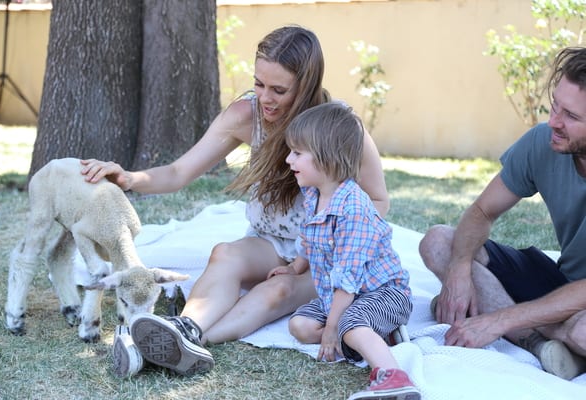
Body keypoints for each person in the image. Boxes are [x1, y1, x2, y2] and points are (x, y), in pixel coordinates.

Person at [80, 25, 390, 378]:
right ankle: (183, 330)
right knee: (224, 253)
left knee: (279, 288)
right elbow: (180, 171)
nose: (265, 98)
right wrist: (130, 178)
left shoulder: (340, 128)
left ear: (306, 86)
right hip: (270, 240)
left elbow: (379, 200)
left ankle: (185, 341)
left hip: (326, 253)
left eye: (279, 89)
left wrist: (337, 241)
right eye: (259, 83)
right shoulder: (247, 114)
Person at [418, 46, 586, 381]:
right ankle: (544, 345)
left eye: (571, 116)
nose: (554, 121)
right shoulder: (543, 142)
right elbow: (482, 211)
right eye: (555, 106)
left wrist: (499, 319)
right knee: (439, 242)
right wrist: (459, 270)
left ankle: (549, 339)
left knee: (583, 331)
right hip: (563, 282)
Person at [267, 102, 419, 400]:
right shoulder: (313, 194)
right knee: (300, 325)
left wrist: (333, 327)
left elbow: (348, 279)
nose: (288, 159)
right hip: (337, 295)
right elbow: (312, 239)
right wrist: (296, 267)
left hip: (383, 293)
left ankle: (394, 376)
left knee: (347, 324)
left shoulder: (354, 209)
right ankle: (375, 335)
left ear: (327, 158)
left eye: (297, 153)